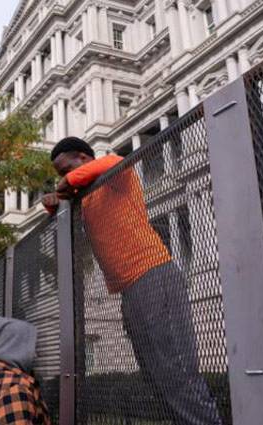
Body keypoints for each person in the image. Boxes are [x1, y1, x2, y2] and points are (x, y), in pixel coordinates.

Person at [42, 137, 221, 425]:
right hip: (130, 291)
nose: (64, 179)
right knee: (157, 377)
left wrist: (67, 185)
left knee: (177, 373)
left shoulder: (112, 176)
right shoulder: (86, 198)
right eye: (60, 175)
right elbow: (67, 222)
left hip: (153, 274)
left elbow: (114, 161)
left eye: (66, 170)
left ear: (83, 158)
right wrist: (54, 205)